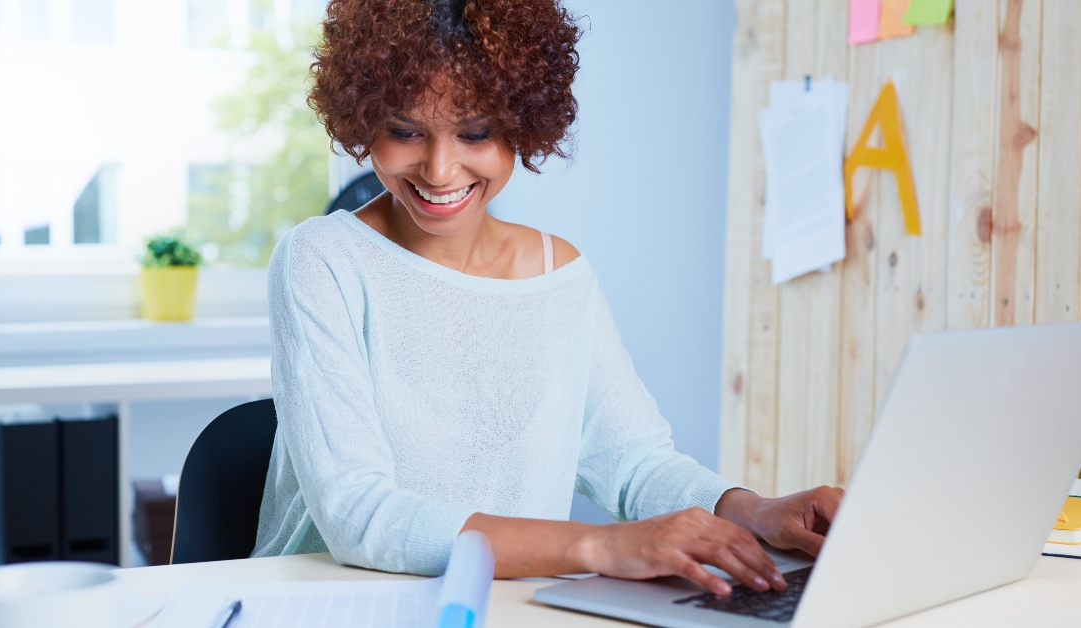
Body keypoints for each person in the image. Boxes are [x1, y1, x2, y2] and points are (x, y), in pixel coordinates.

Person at [253, 0, 843, 596]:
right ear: (362, 120)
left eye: (475, 132)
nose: (439, 168)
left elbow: (633, 462)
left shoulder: (558, 274)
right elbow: (360, 515)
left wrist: (754, 511)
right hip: (336, 605)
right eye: (405, 132)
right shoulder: (323, 260)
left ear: (522, 122)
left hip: (510, 608)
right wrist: (596, 545)